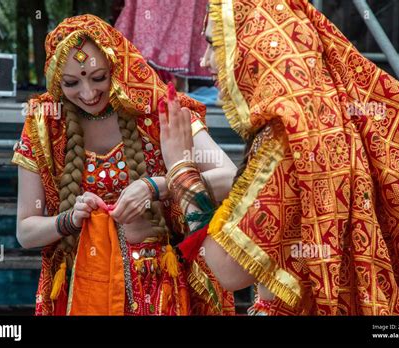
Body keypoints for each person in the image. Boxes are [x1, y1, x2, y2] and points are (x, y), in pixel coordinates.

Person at [160, 0, 399, 315]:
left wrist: (180, 167)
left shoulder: (289, 140)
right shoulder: (317, 120)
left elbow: (227, 270)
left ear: (255, 44)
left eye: (215, 45)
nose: (205, 60)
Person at [12, 14, 235, 316]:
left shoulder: (158, 109)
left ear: (116, 66)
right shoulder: (44, 124)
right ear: (55, 79)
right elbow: (25, 232)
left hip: (157, 290)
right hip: (84, 286)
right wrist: (69, 220)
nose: (88, 94)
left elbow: (232, 178)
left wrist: (156, 187)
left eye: (98, 77)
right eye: (71, 83)